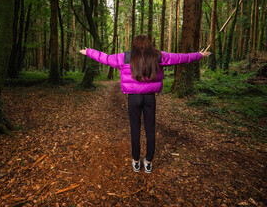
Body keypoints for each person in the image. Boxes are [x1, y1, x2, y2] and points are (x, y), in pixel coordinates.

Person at [79, 34, 210, 173]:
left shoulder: (125, 57)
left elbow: (104, 58)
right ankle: (148, 161)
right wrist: (199, 55)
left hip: (133, 98)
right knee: (150, 129)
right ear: (149, 44)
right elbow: (180, 58)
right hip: (149, 98)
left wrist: (88, 52)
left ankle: (136, 161)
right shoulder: (157, 56)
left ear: (134, 45)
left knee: (135, 129)